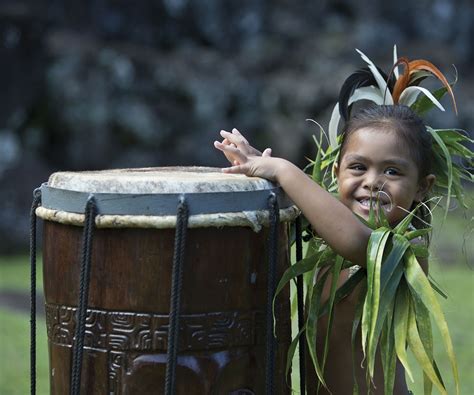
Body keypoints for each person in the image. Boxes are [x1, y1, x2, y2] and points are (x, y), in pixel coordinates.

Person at [214, 104, 434, 394]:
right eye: (358, 167)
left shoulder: (406, 250)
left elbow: (357, 242)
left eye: (392, 171)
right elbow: (320, 212)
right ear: (336, 171)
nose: (371, 182)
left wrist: (283, 169)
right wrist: (257, 163)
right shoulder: (330, 229)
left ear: (422, 187)